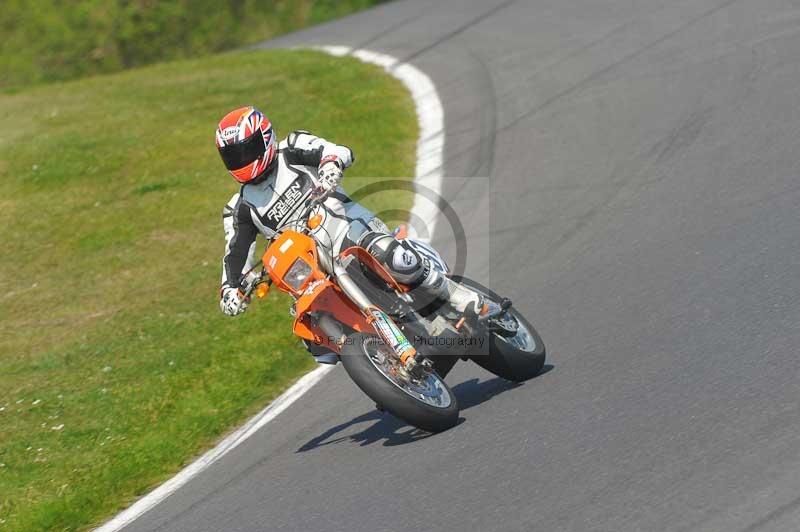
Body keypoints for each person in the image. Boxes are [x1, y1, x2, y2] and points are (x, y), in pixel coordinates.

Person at [215, 106, 483, 358]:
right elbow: (235, 253)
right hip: (312, 269)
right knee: (313, 333)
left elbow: (337, 150)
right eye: (233, 156)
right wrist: (231, 288)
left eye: (246, 151)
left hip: (350, 231)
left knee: (390, 256)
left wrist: (331, 165)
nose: (242, 160)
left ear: (265, 138)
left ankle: (458, 296)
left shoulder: (292, 148)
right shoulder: (239, 208)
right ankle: (382, 365)